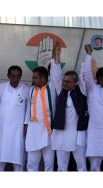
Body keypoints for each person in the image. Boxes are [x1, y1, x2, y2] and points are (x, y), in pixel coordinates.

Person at [50, 43, 88, 171]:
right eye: (64, 81)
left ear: (75, 83)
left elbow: (85, 74)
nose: (64, 83)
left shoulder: (81, 91)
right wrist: (57, 55)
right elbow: (56, 75)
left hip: (77, 136)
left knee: (81, 166)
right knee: (61, 166)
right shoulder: (61, 90)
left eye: (68, 82)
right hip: (61, 134)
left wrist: (88, 56)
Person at [0, 65, 29, 171]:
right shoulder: (2, 87)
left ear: (21, 76)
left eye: (18, 76)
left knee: (18, 159)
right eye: (13, 76)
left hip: (18, 130)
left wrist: (26, 125)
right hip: (2, 129)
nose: (15, 79)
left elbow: (28, 110)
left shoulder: (26, 89)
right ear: (8, 76)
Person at [24, 66, 56, 171]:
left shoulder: (51, 87)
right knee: (32, 163)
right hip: (33, 131)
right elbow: (28, 108)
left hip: (48, 131)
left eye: (35, 78)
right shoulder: (32, 89)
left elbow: (56, 73)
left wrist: (55, 56)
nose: (33, 80)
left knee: (49, 163)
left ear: (43, 78)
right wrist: (26, 124)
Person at [82, 44, 103, 171]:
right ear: (98, 78)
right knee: (94, 167)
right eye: (101, 78)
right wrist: (88, 54)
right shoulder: (91, 88)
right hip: (95, 131)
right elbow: (86, 74)